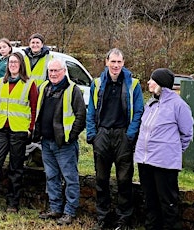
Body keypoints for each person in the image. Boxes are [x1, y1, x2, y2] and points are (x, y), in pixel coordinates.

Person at [86, 48, 144, 230]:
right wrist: (93, 135)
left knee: (124, 180)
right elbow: (91, 111)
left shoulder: (133, 84)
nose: (116, 65)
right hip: (102, 134)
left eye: (119, 62)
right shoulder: (97, 83)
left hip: (122, 135)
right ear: (106, 62)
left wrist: (130, 135)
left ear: (123, 63)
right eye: (113, 62)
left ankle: (123, 218)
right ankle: (103, 217)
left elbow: (139, 112)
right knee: (101, 180)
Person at [0, 52, 38, 213]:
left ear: (21, 65)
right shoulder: (0, 82)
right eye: (10, 62)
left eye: (16, 62)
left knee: (15, 167)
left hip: (19, 130)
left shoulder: (29, 84)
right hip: (1, 128)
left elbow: (34, 108)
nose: (12, 65)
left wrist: (30, 129)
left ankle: (13, 203)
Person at [134, 68, 193, 230]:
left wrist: (172, 151)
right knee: (150, 200)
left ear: (161, 84)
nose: (148, 82)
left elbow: (187, 133)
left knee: (168, 202)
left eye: (152, 80)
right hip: (145, 161)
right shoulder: (151, 103)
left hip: (165, 163)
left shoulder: (179, 105)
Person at [33, 58, 86, 225]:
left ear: (64, 71)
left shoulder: (72, 90)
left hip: (64, 144)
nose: (53, 74)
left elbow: (81, 116)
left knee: (70, 178)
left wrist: (70, 136)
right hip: (46, 141)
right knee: (51, 176)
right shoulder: (44, 87)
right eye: (51, 71)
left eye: (56, 71)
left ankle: (70, 211)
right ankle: (55, 209)